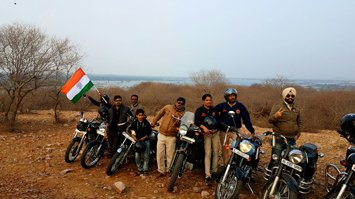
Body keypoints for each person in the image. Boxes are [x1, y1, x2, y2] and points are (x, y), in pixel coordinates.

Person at [214, 88, 255, 166]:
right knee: (224, 149)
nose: (232, 97)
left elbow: (246, 119)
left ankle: (236, 164)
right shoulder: (222, 106)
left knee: (237, 148)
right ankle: (226, 165)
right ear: (226, 97)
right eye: (230, 96)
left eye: (233, 95)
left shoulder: (240, 106)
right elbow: (213, 113)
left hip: (235, 131)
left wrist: (251, 130)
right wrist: (218, 123)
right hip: (224, 131)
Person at [267, 87, 302, 168]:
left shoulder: (296, 108)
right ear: (284, 96)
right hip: (279, 137)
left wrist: (298, 133)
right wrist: (275, 116)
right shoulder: (278, 106)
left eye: (292, 96)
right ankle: (271, 175)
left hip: (291, 138)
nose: (290, 97)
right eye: (288, 95)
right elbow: (270, 120)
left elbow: (299, 122)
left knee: (289, 160)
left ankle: (283, 177)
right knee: (276, 158)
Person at [150, 97, 186, 177]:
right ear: (175, 102)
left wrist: (178, 121)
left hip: (172, 136)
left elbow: (181, 126)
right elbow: (159, 114)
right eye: (178, 102)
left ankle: (169, 170)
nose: (179, 104)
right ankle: (160, 171)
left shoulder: (183, 114)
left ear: (183, 105)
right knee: (160, 154)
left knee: (170, 155)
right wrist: (153, 122)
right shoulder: (167, 107)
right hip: (161, 134)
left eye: (181, 103)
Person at [194, 94, 219, 186]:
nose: (209, 101)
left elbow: (218, 120)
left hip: (215, 133)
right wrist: (203, 127)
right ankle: (207, 175)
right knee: (208, 154)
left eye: (210, 100)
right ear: (203, 101)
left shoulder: (214, 110)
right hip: (206, 135)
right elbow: (196, 121)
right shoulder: (199, 110)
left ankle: (215, 172)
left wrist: (216, 129)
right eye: (207, 100)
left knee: (216, 152)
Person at [128, 109, 152, 176]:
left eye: (142, 115)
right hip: (137, 141)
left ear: (144, 116)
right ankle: (139, 169)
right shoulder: (135, 123)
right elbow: (132, 130)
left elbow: (149, 132)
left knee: (146, 156)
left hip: (145, 141)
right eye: (139, 115)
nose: (141, 117)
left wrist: (143, 138)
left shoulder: (146, 123)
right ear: (136, 116)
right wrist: (133, 136)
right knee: (137, 156)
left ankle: (145, 169)